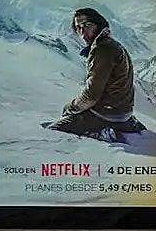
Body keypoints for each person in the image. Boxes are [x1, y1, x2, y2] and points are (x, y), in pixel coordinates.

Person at [48, 8, 142, 140]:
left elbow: (91, 95)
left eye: (87, 25)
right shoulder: (112, 45)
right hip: (123, 113)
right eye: (78, 28)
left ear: (98, 25)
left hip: (106, 114)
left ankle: (101, 133)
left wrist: (70, 107)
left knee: (52, 132)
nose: (82, 32)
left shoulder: (101, 49)